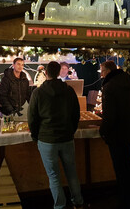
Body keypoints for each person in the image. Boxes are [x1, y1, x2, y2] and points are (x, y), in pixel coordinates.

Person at [28, 61, 86, 209]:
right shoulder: (69, 91)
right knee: (72, 172)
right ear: (59, 72)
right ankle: (78, 202)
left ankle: (60, 206)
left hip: (47, 140)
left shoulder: (38, 92)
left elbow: (32, 118)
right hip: (66, 138)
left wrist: (36, 136)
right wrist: (70, 130)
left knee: (54, 177)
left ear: (45, 73)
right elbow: (76, 114)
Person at [99, 60, 130, 209]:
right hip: (127, 131)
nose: (101, 74)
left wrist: (103, 131)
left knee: (120, 167)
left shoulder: (109, 87)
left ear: (108, 71)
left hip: (115, 134)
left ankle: (124, 199)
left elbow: (109, 115)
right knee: (127, 164)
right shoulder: (128, 83)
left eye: (102, 71)